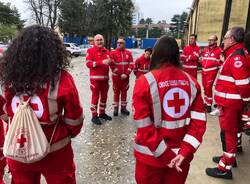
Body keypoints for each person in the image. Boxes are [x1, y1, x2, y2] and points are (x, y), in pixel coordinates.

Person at [0, 25, 84, 184]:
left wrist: (13, 121)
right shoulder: (61, 78)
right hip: (55, 150)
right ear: (52, 52)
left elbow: (2, 109)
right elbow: (75, 119)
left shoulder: (6, 78)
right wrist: (65, 133)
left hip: (19, 149)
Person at [132, 35, 206, 184]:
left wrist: (166, 156)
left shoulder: (144, 82)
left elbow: (144, 127)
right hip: (180, 159)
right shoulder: (191, 82)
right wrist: (184, 152)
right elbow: (199, 123)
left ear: (156, 53)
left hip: (150, 159)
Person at [206, 27, 250, 179]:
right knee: (229, 133)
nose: (222, 41)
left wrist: (246, 103)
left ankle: (225, 168)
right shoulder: (235, 54)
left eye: (225, 38)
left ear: (231, 40)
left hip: (231, 104)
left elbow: (243, 84)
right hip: (229, 103)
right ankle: (228, 159)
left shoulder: (237, 57)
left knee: (229, 134)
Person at [86, 34, 112, 124]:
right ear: (94, 41)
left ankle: (102, 113)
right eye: (97, 40)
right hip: (95, 80)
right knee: (95, 98)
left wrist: (117, 70)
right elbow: (88, 64)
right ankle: (94, 116)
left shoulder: (107, 51)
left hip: (105, 80)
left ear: (103, 40)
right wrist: (101, 62)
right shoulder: (90, 51)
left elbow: (111, 63)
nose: (100, 41)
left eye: (101, 40)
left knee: (104, 97)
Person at [110, 37, 134, 116]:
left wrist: (126, 74)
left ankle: (123, 108)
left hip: (125, 78)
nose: (119, 44)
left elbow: (131, 64)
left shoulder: (128, 53)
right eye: (118, 42)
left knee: (124, 92)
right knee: (116, 92)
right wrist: (121, 74)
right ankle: (116, 109)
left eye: (121, 43)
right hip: (116, 77)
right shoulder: (113, 53)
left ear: (124, 44)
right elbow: (112, 66)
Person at [200, 35, 222, 113]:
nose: (209, 41)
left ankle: (209, 105)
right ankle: (206, 103)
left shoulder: (219, 50)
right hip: (203, 71)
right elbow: (202, 59)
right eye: (209, 40)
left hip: (211, 72)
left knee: (209, 87)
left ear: (216, 41)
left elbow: (221, 62)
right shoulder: (206, 50)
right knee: (205, 88)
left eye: (211, 40)